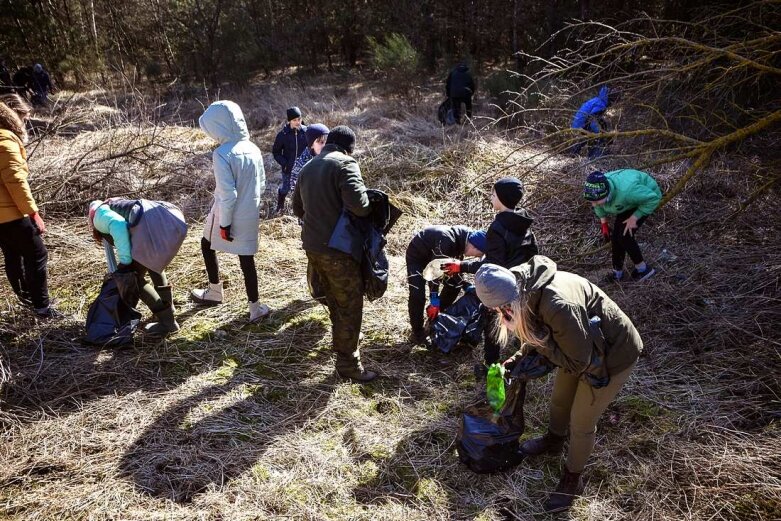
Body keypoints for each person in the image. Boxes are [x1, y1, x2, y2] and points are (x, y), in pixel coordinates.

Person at [474, 256, 642, 512]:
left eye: (501, 309)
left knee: (582, 421)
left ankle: (572, 479)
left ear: (510, 300)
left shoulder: (557, 305)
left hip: (612, 355)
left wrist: (539, 341)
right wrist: (517, 358)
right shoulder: (521, 285)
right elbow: (539, 330)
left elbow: (578, 362)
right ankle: (554, 441)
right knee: (560, 400)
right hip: (582, 346)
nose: (500, 315)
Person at [292, 125, 376, 382]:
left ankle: (341, 335)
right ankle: (348, 365)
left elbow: (297, 209)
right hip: (338, 250)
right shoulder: (346, 164)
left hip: (312, 246)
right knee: (350, 304)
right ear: (349, 147)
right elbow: (360, 207)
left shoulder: (309, 166)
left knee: (330, 294)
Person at [441, 177, 538, 371]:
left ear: (502, 198)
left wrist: (462, 266)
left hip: (501, 283)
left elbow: (491, 266)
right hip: (523, 279)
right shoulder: (524, 220)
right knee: (523, 318)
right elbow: (533, 251)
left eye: (493, 194)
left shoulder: (498, 227)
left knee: (492, 321)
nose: (491, 198)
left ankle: (491, 364)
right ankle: (526, 356)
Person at [190, 100, 270, 323]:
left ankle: (215, 291)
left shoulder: (222, 154)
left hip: (226, 213)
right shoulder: (253, 148)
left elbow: (228, 194)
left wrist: (225, 225)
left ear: (219, 125)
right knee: (246, 259)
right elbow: (262, 184)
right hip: (249, 212)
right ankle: (255, 308)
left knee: (207, 245)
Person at [88, 198, 187, 337]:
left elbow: (118, 224)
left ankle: (167, 322)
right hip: (173, 219)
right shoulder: (115, 204)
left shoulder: (98, 214)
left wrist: (125, 262)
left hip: (158, 223)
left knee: (131, 277)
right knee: (152, 262)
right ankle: (169, 308)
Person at [0, 94, 56, 317]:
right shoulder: (4, 141)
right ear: (13, 117)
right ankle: (42, 307)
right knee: (37, 255)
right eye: (23, 118)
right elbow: (15, 181)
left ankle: (28, 302)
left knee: (13, 255)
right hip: (11, 214)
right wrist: (33, 213)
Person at [405, 225, 486, 345]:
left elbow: (451, 268)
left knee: (454, 285)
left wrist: (464, 285)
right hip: (419, 257)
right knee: (417, 294)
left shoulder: (467, 238)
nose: (473, 257)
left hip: (437, 259)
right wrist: (434, 301)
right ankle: (417, 333)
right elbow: (434, 274)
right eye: (477, 254)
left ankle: (435, 318)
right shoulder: (447, 241)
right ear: (473, 246)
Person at [584, 169, 661, 282]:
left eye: (596, 201)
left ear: (607, 193)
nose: (593, 204)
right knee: (615, 238)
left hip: (643, 198)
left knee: (625, 236)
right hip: (624, 202)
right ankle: (617, 273)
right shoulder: (595, 189)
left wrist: (635, 217)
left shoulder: (628, 191)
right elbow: (597, 206)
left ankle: (643, 270)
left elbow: (653, 198)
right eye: (591, 201)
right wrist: (604, 223)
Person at [271, 106, 307, 215]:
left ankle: (302, 211)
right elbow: (276, 152)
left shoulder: (306, 132)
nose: (297, 122)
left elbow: (311, 148)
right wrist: (285, 163)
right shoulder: (283, 135)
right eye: (294, 120)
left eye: (299, 119)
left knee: (303, 191)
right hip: (288, 169)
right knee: (286, 189)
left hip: (304, 168)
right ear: (289, 121)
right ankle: (280, 204)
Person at [570, 85, 618, 159]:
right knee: (598, 138)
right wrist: (601, 132)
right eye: (613, 101)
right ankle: (594, 157)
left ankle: (573, 153)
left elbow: (596, 118)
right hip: (581, 125)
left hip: (579, 123)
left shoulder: (598, 100)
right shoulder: (601, 104)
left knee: (601, 125)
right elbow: (592, 120)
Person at [289, 123, 329, 196]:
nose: (325, 146)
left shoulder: (333, 156)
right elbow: (294, 187)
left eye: (327, 142)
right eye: (321, 142)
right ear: (312, 145)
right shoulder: (303, 164)